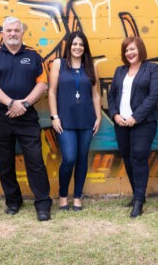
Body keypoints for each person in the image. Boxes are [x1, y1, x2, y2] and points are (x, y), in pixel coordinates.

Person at [0, 16, 52, 221]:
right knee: (5, 162)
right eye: (9, 30)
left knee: (35, 161)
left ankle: (43, 204)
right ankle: (13, 201)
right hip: (0, 116)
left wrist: (25, 104)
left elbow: (43, 84)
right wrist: (11, 104)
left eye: (16, 30)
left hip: (27, 116)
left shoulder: (33, 55)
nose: (13, 33)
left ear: (22, 33)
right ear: (2, 34)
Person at [107, 36, 158, 217]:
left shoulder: (152, 69)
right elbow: (112, 95)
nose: (129, 53)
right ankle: (137, 195)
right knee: (128, 158)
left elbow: (154, 95)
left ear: (140, 49)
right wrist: (115, 115)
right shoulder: (120, 71)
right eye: (126, 50)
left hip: (143, 123)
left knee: (138, 158)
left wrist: (135, 117)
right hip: (121, 123)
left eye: (132, 49)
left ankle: (138, 201)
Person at [48, 31, 101, 211]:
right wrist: (54, 117)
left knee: (82, 158)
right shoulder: (58, 64)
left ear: (85, 47)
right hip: (65, 120)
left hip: (86, 119)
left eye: (81, 44)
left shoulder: (91, 67)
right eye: (74, 44)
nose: (77, 47)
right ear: (69, 46)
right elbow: (52, 92)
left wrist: (99, 117)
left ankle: (77, 196)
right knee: (69, 158)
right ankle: (63, 195)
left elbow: (95, 95)